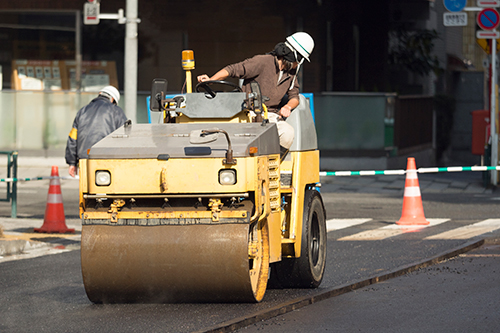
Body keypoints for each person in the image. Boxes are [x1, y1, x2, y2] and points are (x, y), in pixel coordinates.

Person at [197, 32, 314, 156]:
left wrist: (287, 107)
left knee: (288, 133)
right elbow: (233, 69)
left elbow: (294, 97)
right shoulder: (262, 62)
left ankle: (271, 164)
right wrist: (211, 80)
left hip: (270, 117)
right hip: (246, 113)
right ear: (294, 56)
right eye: (301, 60)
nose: (299, 64)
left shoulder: (292, 74)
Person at [65, 85, 128, 177]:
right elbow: (125, 136)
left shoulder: (82, 111)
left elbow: (73, 138)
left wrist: (72, 162)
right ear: (112, 100)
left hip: (85, 159)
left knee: (86, 189)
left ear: (100, 94)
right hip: (108, 160)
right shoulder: (117, 111)